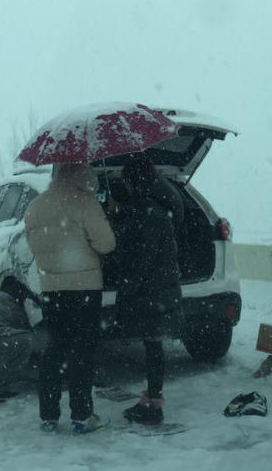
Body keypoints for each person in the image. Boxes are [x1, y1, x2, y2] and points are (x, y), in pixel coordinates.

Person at [25, 162, 116, 433]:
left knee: (52, 350)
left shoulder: (36, 205)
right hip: (84, 288)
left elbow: (33, 243)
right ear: (81, 174)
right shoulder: (85, 203)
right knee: (81, 351)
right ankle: (81, 415)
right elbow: (106, 244)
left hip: (52, 289)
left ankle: (49, 415)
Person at [112, 155, 184, 425]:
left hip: (151, 291)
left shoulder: (149, 213)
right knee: (154, 346)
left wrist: (126, 290)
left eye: (127, 180)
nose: (126, 186)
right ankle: (152, 400)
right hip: (161, 288)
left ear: (135, 180)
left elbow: (141, 258)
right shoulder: (158, 206)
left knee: (153, 347)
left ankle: (154, 406)